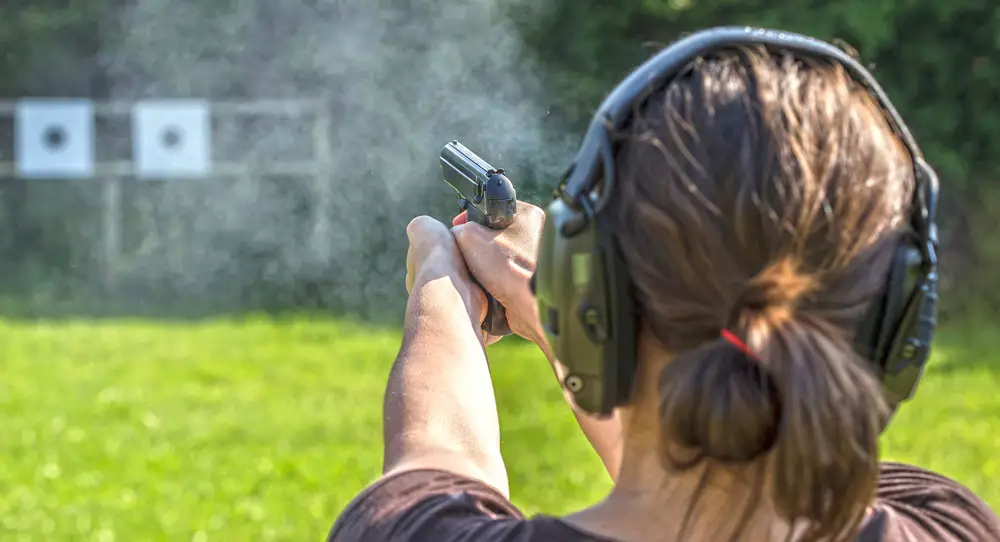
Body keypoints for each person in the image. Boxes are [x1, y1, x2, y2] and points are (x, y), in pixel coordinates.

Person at [328, 33, 1000, 541]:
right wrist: (572, 302)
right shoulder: (947, 522)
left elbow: (435, 466)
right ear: (897, 322)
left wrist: (440, 283)